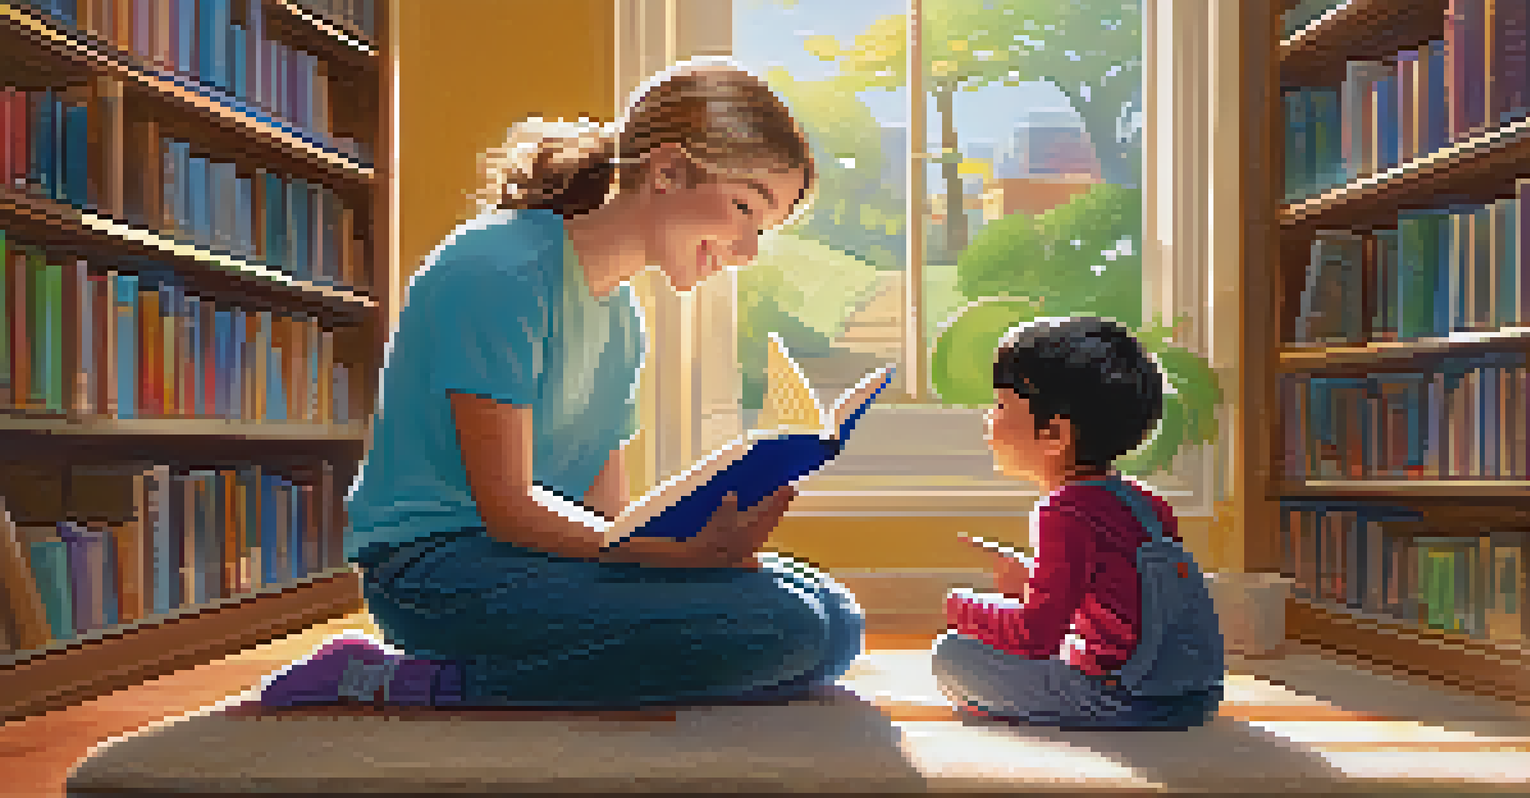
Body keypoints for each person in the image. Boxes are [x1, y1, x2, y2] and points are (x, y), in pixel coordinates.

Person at [267, 59, 865, 710]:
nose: (747, 250)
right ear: (666, 172)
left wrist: (700, 542)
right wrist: (676, 559)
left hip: (537, 559)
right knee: (788, 629)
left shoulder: (622, 319)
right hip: (434, 569)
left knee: (833, 619)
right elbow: (508, 506)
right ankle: (394, 679)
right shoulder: (502, 269)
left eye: (762, 229)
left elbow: (607, 518)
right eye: (745, 208)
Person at [932, 317, 1225, 730]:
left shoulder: (1063, 511)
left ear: (1054, 434)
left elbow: (1035, 637)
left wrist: (959, 606)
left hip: (1122, 697)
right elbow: (1123, 597)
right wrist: (1033, 578)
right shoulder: (1147, 503)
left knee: (953, 655)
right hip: (1196, 695)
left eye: (1000, 406)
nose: (988, 419)